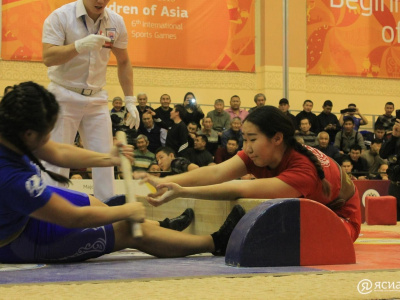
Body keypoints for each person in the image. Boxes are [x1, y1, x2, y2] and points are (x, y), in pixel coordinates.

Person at [0, 81, 244, 262]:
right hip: (18, 240)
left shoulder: (11, 131)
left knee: (95, 204)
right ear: (29, 134)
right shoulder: (12, 178)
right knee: (128, 229)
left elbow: (58, 153)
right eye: (47, 132)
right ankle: (215, 242)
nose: (49, 138)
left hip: (18, 214)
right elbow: (72, 218)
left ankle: (161, 229)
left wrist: (110, 158)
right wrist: (126, 210)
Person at [143, 105, 361, 243]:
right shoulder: (260, 152)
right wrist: (166, 180)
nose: (246, 147)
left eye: (252, 139)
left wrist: (182, 192)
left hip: (341, 218)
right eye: (244, 139)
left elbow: (239, 188)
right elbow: (217, 172)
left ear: (277, 138)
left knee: (286, 242)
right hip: (315, 203)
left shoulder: (302, 170)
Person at [42, 0, 140, 201]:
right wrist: (78, 46)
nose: (100, 1)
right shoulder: (60, 16)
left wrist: (130, 99)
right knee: (58, 160)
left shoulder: (116, 21)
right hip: (63, 95)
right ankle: (53, 216)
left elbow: (124, 61)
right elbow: (48, 57)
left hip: (96, 98)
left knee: (106, 158)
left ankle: (108, 216)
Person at [379, 119, 400, 220]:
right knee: (393, 219)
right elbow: (383, 154)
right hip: (395, 185)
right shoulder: (396, 138)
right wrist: (394, 136)